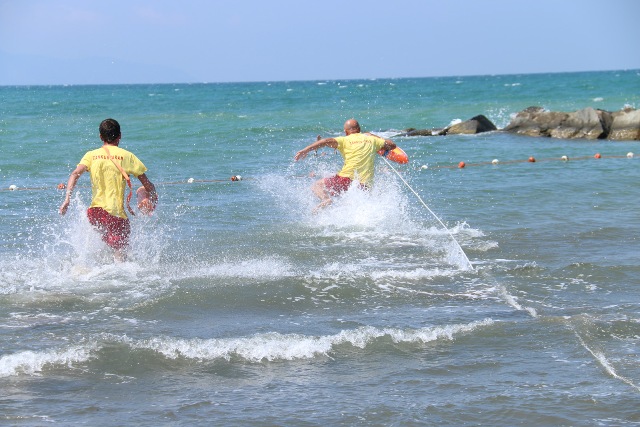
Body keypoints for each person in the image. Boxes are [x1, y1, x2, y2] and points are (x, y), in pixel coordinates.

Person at [59, 118, 158, 261]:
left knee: (109, 244)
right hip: (115, 214)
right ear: (120, 136)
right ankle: (118, 276)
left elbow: (74, 174)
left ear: (100, 136)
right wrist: (152, 195)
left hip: (95, 213)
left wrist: (67, 199)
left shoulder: (91, 155)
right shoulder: (127, 156)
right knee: (120, 252)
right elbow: (147, 183)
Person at [294, 119, 396, 211]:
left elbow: (324, 142)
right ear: (359, 129)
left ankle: (326, 200)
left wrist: (306, 150)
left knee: (317, 185)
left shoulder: (344, 140)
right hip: (365, 185)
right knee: (349, 205)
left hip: (345, 180)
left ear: (346, 132)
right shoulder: (373, 140)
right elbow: (392, 145)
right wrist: (374, 137)